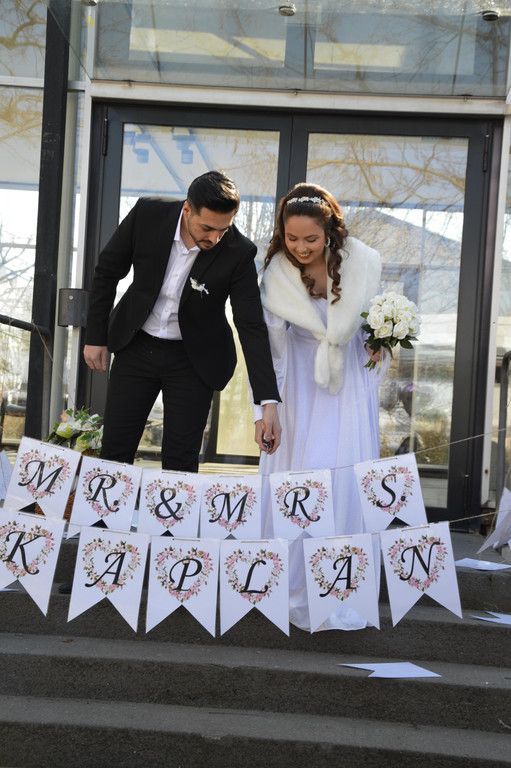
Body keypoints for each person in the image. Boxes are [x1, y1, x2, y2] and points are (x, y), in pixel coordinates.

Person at [83, 170, 281, 472]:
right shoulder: (147, 215)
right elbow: (107, 271)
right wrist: (96, 336)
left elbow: (251, 325)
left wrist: (266, 401)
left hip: (193, 359)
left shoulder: (239, 252)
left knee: (181, 462)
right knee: (115, 450)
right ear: (187, 209)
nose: (214, 238)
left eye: (223, 230)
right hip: (136, 345)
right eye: (207, 228)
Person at [255, 182, 385, 631]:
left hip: (346, 385)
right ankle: (290, 585)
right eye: (292, 238)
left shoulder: (361, 263)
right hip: (299, 386)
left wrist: (380, 344)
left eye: (310, 239)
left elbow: (372, 324)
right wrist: (267, 409)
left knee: (342, 476)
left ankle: (338, 587)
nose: (301, 247)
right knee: (301, 477)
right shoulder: (275, 274)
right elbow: (270, 350)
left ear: (330, 232)